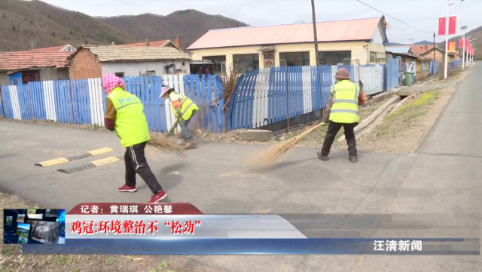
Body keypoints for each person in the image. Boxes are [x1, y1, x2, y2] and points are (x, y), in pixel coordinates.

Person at [103, 73, 167, 203]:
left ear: (107, 85)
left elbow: (109, 121)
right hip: (142, 133)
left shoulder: (112, 97)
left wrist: (110, 127)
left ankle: (158, 192)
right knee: (129, 159)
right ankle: (130, 184)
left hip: (132, 137)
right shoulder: (131, 96)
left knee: (139, 164)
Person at [317, 68, 365, 163]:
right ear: (347, 78)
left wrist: (325, 119)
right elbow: (361, 100)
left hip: (336, 116)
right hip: (351, 117)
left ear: (338, 78)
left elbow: (329, 105)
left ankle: (324, 154)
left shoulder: (335, 87)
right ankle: (353, 156)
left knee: (330, 135)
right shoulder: (355, 87)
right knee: (350, 135)